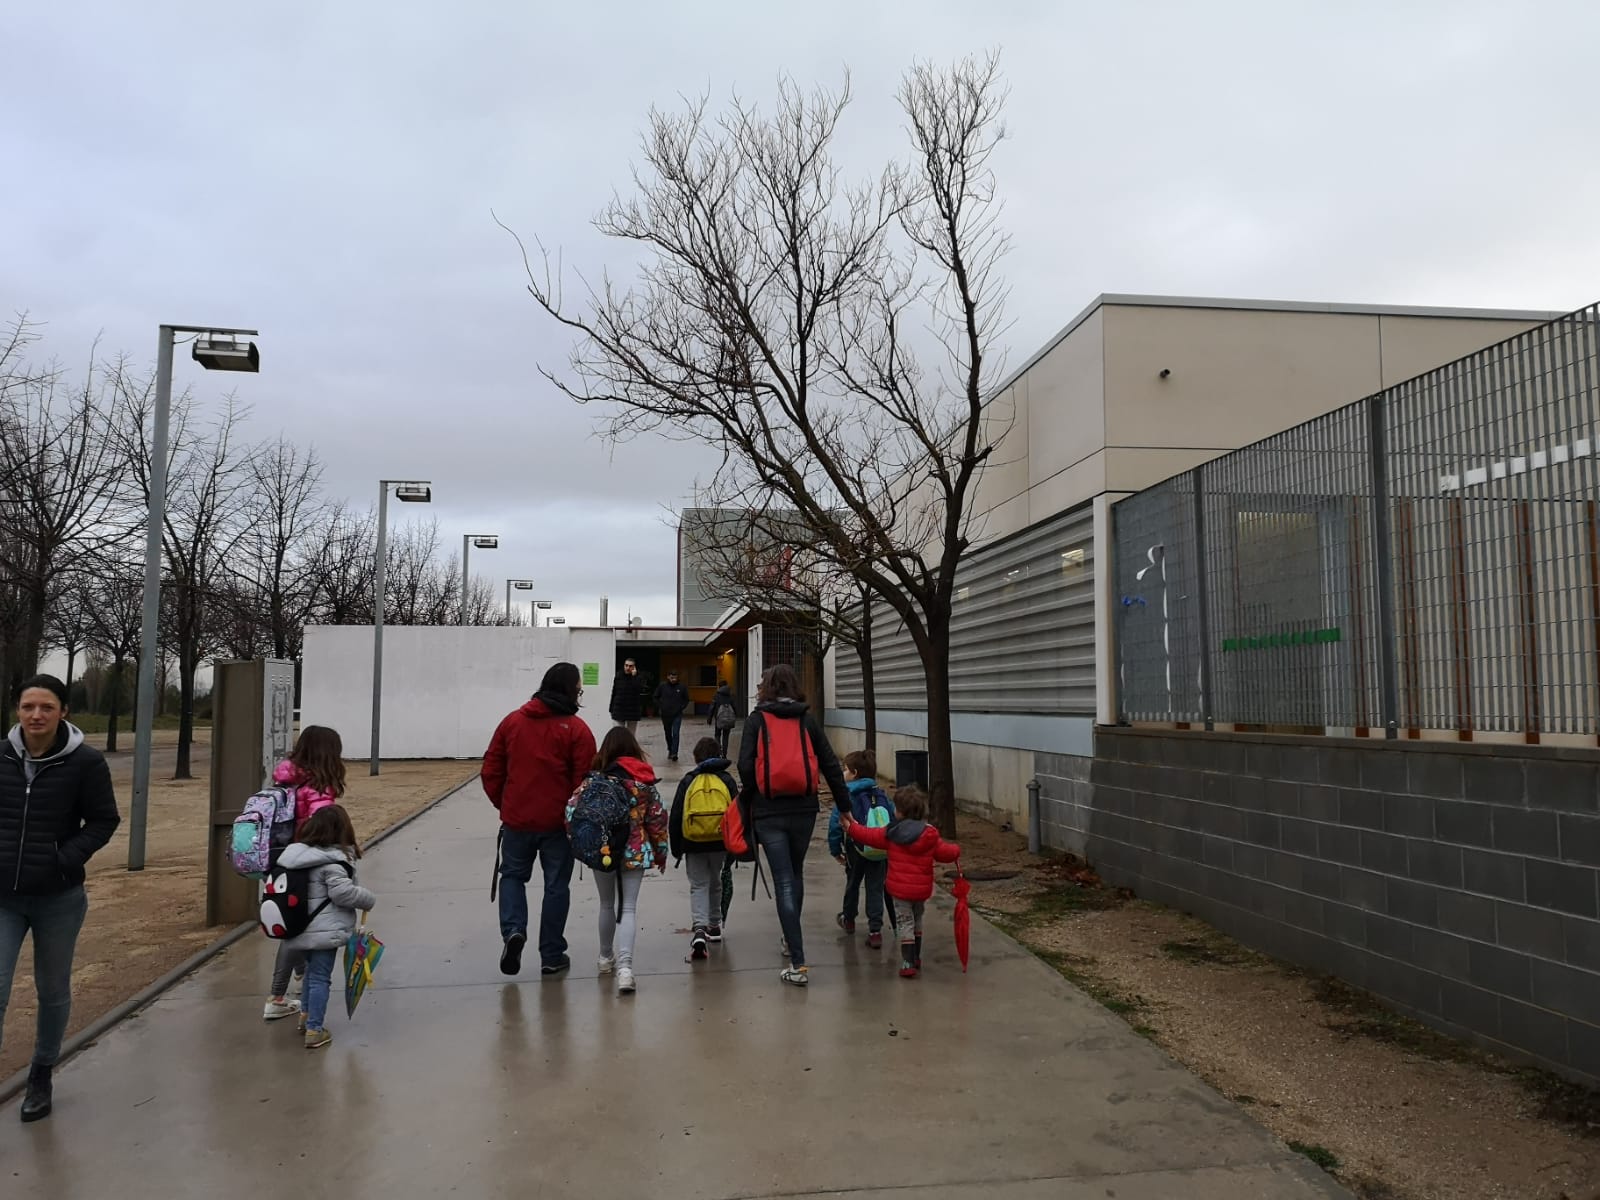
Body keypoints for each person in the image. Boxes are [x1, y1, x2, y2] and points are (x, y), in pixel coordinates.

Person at [0, 675, 119, 1122]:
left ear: (63, 711)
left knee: (52, 989)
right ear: (17, 709)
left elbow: (104, 820)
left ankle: (41, 1072)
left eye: (46, 707)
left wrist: (63, 859)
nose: (36, 715)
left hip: (58, 898)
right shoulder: (1, 756)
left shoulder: (86, 763)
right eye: (28, 706)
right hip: (3, 897)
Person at [482, 663, 597, 978]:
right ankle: (552, 954)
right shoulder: (577, 730)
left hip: (517, 821)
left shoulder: (512, 723)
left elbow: (491, 771)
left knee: (513, 877)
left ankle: (514, 931)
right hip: (557, 826)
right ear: (571, 690)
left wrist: (505, 805)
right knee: (556, 886)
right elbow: (584, 784)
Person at [737, 664, 848, 986]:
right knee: (795, 874)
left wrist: (755, 793)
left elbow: (744, 765)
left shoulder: (757, 720)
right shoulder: (806, 720)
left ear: (766, 687)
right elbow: (830, 764)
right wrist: (845, 807)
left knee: (784, 879)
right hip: (804, 808)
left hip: (768, 811)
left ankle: (798, 963)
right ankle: (790, 940)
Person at [573, 728, 668, 995]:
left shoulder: (593, 782)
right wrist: (660, 853)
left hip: (602, 850)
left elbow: (571, 811)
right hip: (634, 851)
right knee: (628, 908)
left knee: (606, 904)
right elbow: (658, 820)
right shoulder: (643, 782)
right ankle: (626, 970)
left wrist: (582, 844)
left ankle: (605, 958)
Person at [263, 725, 347, 1023]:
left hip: (278, 859)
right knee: (299, 931)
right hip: (306, 863)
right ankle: (277, 996)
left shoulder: (285, 779)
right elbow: (323, 828)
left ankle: (289, 985)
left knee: (291, 927)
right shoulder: (318, 786)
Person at [276, 805, 377, 1048]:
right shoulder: (332, 861)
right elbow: (342, 893)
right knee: (321, 977)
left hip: (300, 926)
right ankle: (315, 1029)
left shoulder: (295, 857)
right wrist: (368, 898)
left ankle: (306, 1016)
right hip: (325, 929)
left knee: (311, 972)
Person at [844, 784, 961, 979]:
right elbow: (944, 853)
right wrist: (956, 851)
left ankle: (907, 962)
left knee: (905, 922)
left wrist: (851, 828)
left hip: (899, 891)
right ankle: (916, 957)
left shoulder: (891, 833)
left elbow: (869, 836)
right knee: (917, 920)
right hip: (921, 891)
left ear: (899, 811)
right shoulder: (929, 833)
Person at [668, 736, 734, 959]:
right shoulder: (726, 780)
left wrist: (676, 847)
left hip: (693, 840)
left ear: (696, 757)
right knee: (715, 880)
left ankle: (699, 928)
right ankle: (715, 926)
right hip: (720, 840)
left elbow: (676, 815)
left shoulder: (689, 780)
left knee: (698, 884)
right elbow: (737, 812)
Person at [827, 749, 897, 949]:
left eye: (845, 770)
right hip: (880, 848)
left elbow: (835, 824)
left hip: (855, 847)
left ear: (855, 773)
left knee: (853, 883)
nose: (843, 774)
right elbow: (892, 820)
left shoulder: (847, 795)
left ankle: (848, 919)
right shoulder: (881, 794)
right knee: (875, 887)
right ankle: (875, 930)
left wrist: (835, 849)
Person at [653, 670, 690, 763]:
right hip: (665, 714)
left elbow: (686, 699)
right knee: (668, 733)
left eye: (675, 677)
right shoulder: (662, 686)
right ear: (668, 677)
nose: (673, 679)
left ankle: (674, 753)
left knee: (676, 733)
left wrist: (681, 707)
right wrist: (661, 706)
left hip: (677, 714)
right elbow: (655, 697)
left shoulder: (682, 687)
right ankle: (670, 749)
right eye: (671, 677)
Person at [609, 658, 644, 733]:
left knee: (630, 736)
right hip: (619, 710)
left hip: (632, 711)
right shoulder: (619, 676)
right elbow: (614, 692)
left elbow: (638, 690)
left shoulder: (638, 677)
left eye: (630, 666)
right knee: (618, 734)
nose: (628, 668)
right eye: (626, 665)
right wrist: (611, 708)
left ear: (634, 667)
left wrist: (634, 677)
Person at [707, 680, 739, 757]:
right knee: (726, 736)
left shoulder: (716, 696)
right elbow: (734, 707)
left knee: (717, 735)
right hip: (728, 719)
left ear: (719, 686)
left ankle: (718, 751)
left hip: (719, 719)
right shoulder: (731, 695)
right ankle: (724, 754)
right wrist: (735, 716)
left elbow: (712, 707)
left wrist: (709, 718)